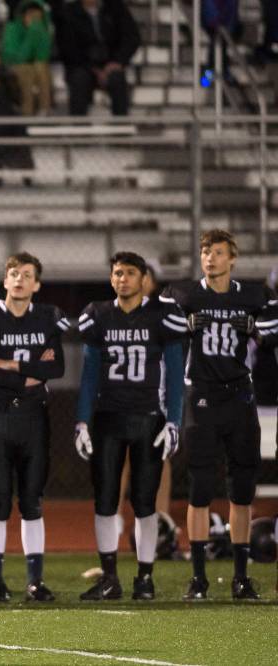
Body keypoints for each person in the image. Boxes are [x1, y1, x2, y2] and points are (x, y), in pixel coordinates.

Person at [159, 229, 278, 600]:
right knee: (199, 489)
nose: (210, 258)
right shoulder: (184, 294)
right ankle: (198, 578)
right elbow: (159, 327)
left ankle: (241, 578)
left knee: (241, 491)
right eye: (206, 252)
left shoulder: (255, 296)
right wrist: (184, 328)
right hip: (202, 396)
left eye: (218, 252)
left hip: (240, 397)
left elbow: (274, 332)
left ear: (233, 258)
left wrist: (256, 330)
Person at [74, 252, 186, 601]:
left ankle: (145, 577)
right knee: (105, 500)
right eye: (118, 273)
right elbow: (89, 374)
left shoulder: (162, 315)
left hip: (148, 418)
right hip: (108, 418)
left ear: (144, 279)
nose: (123, 278)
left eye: (130, 273)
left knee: (145, 503)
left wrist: (174, 421)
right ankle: (110, 578)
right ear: (111, 279)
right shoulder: (98, 315)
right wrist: (82, 419)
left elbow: (176, 374)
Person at [0, 252, 69, 602]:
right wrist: (29, 370)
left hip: (34, 418)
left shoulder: (49, 318)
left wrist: (8, 364)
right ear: (4, 280)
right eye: (13, 274)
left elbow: (56, 370)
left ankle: (35, 581)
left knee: (33, 500)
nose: (19, 279)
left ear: (36, 283)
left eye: (26, 274)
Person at [56, 0, 140, 116]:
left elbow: (131, 37)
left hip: (111, 63)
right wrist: (92, 68)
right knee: (79, 80)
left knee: (117, 79)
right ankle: (78, 130)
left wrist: (118, 61)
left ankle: (121, 128)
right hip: (81, 65)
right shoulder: (68, 12)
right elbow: (67, 47)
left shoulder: (116, 8)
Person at [0, 0, 52, 116]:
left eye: (37, 15)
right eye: (30, 14)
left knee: (41, 67)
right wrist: (32, 33)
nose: (34, 19)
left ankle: (45, 110)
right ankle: (26, 113)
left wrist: (37, 31)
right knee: (26, 70)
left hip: (36, 70)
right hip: (13, 67)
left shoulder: (42, 30)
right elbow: (18, 57)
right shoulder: (11, 29)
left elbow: (43, 56)